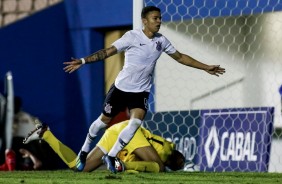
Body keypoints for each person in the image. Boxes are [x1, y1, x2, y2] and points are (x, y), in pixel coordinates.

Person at [63, 6, 225, 173]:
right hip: (121, 88)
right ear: (145, 21)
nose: (159, 21)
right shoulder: (132, 37)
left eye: (160, 18)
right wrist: (83, 61)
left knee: (135, 123)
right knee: (102, 122)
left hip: (141, 91)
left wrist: (206, 67)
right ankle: (84, 150)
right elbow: (107, 52)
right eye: (155, 18)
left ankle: (111, 156)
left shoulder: (161, 41)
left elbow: (181, 57)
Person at [23, 120, 185, 172]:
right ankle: (119, 165)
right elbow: (159, 165)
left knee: (79, 167)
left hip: (115, 131)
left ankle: (46, 135)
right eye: (179, 163)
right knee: (158, 168)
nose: (180, 165)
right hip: (129, 131)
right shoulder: (166, 149)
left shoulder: (150, 152)